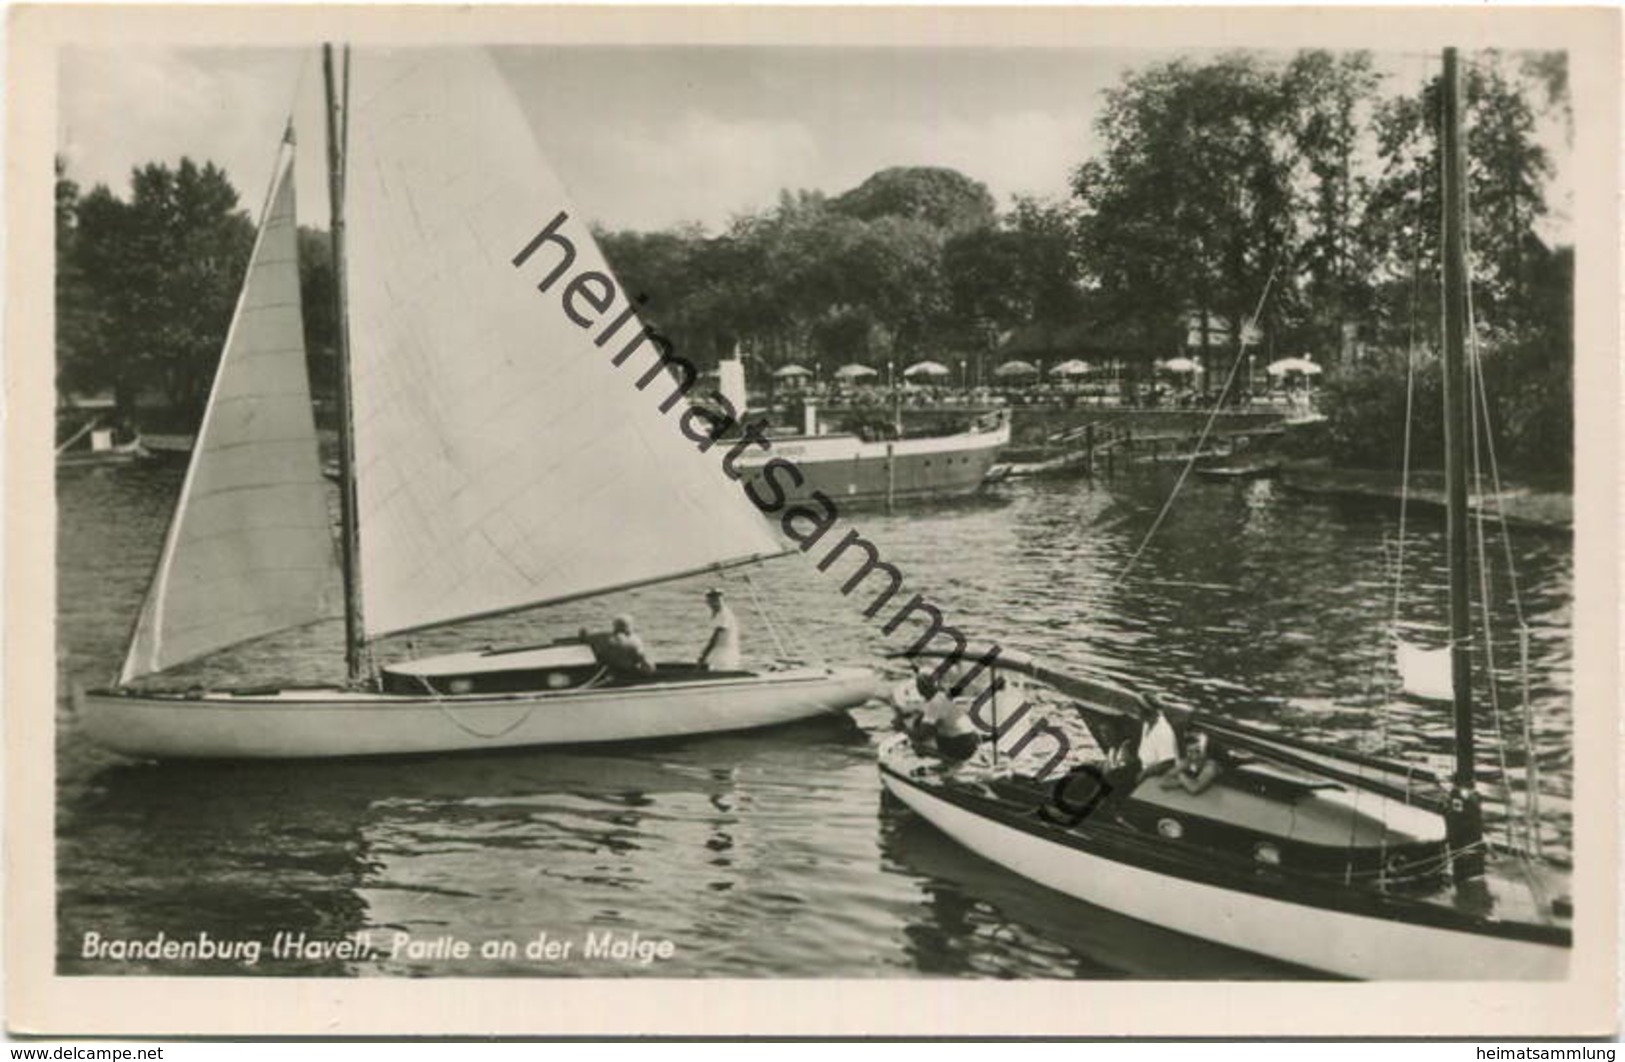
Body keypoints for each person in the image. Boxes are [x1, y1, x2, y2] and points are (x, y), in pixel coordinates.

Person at [895, 674, 980, 764]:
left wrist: (904, 730)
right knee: (928, 726)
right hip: (972, 739)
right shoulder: (942, 696)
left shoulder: (934, 704)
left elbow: (922, 735)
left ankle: (950, 760)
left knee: (918, 745)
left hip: (962, 745)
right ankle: (950, 757)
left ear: (920, 690)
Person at [1161, 731, 1222, 795]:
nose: (1192, 756)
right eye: (1189, 751)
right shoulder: (1189, 760)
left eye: (1197, 751)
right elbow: (1164, 780)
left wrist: (1180, 777)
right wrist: (1184, 782)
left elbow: (1194, 789)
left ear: (1204, 752)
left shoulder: (1211, 766)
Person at [696, 588, 741, 671]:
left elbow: (715, 638)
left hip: (725, 653)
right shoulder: (717, 614)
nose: (714, 603)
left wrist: (703, 655)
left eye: (717, 599)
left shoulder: (723, 614)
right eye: (711, 599)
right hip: (719, 651)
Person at [599, 614, 655, 679]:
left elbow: (585, 638)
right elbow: (645, 662)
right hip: (627, 674)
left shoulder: (601, 638)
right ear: (628, 627)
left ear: (614, 626)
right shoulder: (634, 641)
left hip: (607, 673)